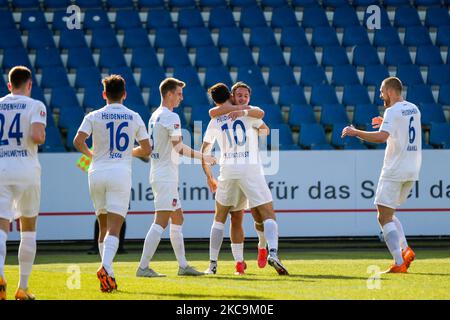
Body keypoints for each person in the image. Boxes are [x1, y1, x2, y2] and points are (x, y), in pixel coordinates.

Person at [74, 74, 151, 292]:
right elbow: (146, 150)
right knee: (115, 228)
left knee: (103, 226)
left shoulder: (94, 115)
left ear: (104, 94)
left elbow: (78, 141)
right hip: (120, 173)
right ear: (124, 94)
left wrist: (91, 154)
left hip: (96, 172)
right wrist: (129, 152)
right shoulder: (134, 116)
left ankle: (109, 278)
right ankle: (105, 267)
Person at [202, 83, 288, 276]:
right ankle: (271, 251)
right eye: (238, 95)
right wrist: (250, 117)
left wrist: (209, 176)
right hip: (250, 169)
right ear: (232, 96)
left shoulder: (216, 119)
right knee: (266, 213)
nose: (241, 99)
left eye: (245, 96)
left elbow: (204, 150)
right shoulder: (249, 114)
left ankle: (214, 264)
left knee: (222, 218)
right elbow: (265, 128)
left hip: (228, 171)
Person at [136, 78, 216, 278]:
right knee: (161, 221)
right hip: (165, 176)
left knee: (178, 217)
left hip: (160, 173)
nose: (182, 97)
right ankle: (143, 267)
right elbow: (178, 147)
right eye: (179, 94)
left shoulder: (155, 115)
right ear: (169, 94)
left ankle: (183, 266)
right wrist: (203, 156)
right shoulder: (171, 117)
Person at [341, 76, 421, 273]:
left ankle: (399, 263)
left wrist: (355, 132)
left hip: (395, 169)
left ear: (391, 92)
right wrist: (385, 122)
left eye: (382, 91)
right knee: (389, 212)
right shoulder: (413, 108)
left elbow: (380, 138)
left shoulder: (392, 111)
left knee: (383, 216)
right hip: (412, 169)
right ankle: (405, 249)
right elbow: (401, 130)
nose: (380, 95)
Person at [0, 66, 46, 300]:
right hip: (27, 169)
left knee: (1, 227)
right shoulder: (35, 105)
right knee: (28, 229)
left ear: (9, 85)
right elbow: (37, 137)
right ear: (29, 84)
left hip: (1, 169)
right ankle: (23, 288)